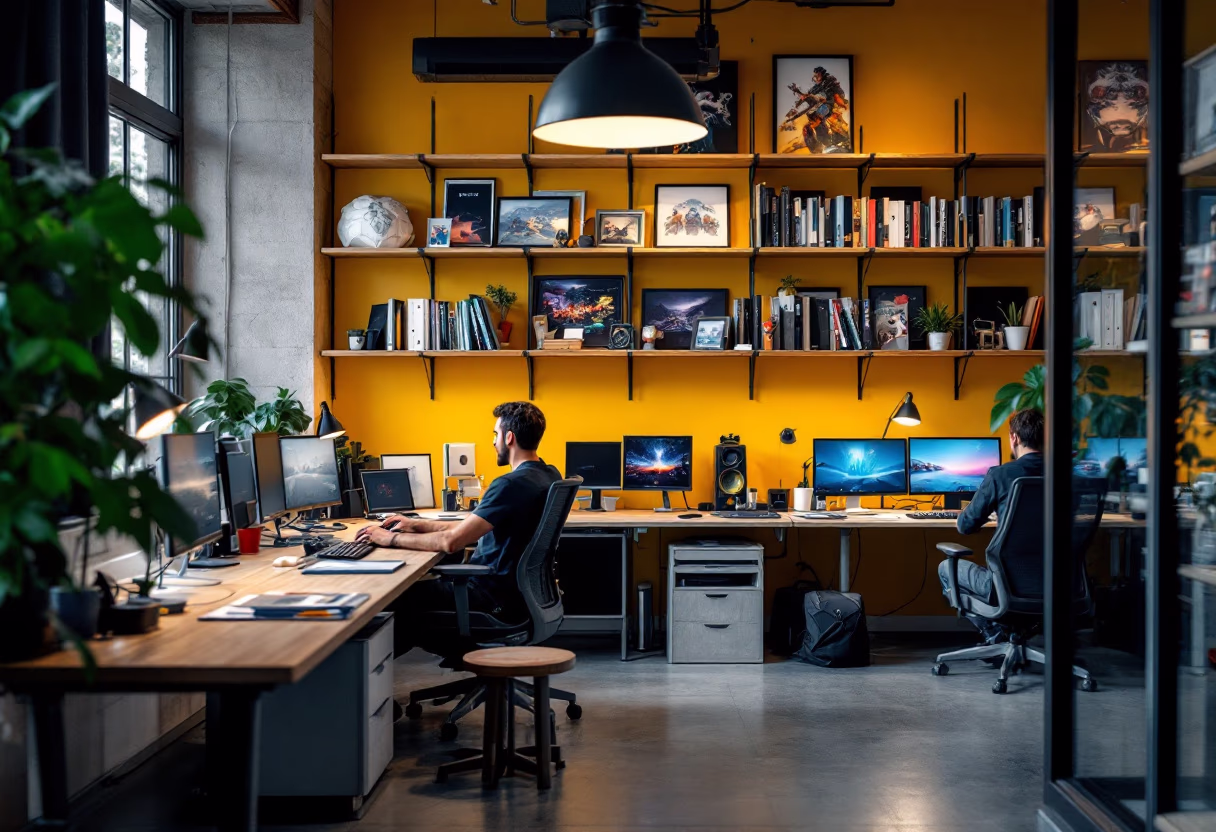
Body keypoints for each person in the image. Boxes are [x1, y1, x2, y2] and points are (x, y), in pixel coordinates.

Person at [358, 401, 562, 656]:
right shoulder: (547, 475)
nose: (493, 442)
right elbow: (470, 526)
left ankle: (365, 676)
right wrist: (416, 524)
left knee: (392, 596)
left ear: (509, 438)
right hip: (518, 596)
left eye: (495, 434)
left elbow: (451, 542)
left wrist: (388, 538)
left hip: (489, 597)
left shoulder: (510, 485)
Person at [938, 408, 1044, 639]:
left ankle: (995, 633)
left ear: (1014, 438)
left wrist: (989, 508)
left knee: (946, 567)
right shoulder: (1068, 477)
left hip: (1006, 585)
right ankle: (1011, 634)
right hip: (1060, 583)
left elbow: (965, 526)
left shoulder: (1000, 475)